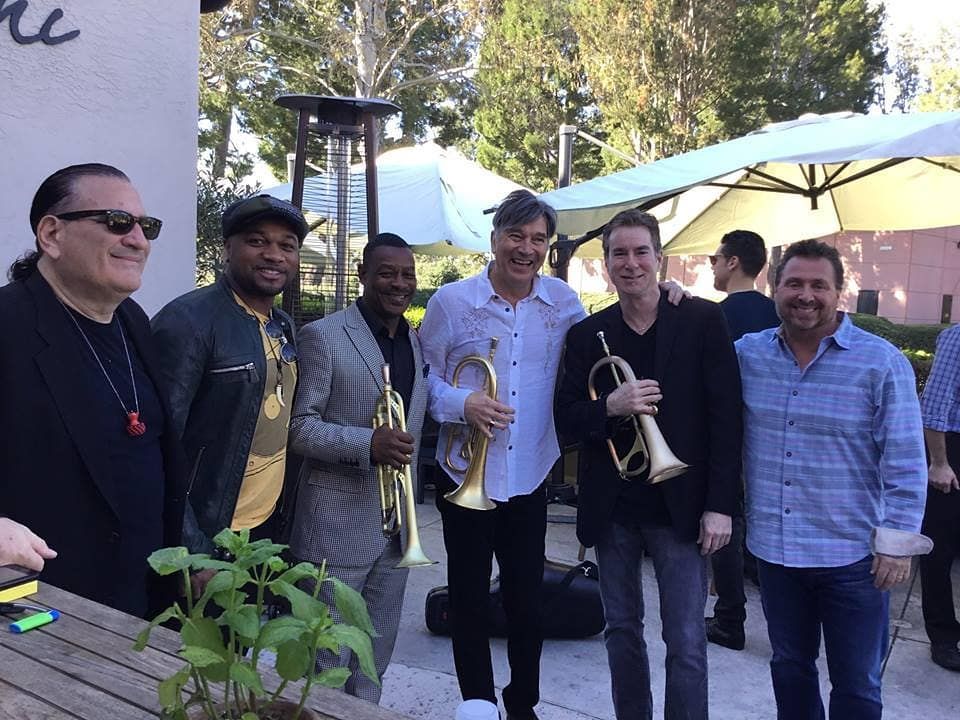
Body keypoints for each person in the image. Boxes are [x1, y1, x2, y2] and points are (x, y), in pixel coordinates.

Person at [556, 209, 742, 720]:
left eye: (641, 252)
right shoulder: (586, 335)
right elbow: (567, 418)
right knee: (621, 632)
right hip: (614, 509)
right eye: (620, 253)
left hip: (681, 510)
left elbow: (727, 420)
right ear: (608, 262)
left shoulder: (703, 319)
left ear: (659, 258)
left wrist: (721, 507)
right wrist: (609, 407)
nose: (631, 263)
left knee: (685, 640)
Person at [737, 239, 931, 719]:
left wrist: (897, 543)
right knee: (790, 667)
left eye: (818, 285)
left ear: (839, 292)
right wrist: (672, 294)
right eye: (794, 284)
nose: (806, 295)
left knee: (858, 684)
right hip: (776, 552)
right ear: (774, 288)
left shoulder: (881, 362)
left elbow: (906, 460)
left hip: (855, 557)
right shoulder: (747, 355)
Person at [418, 190, 586, 720]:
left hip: (530, 473)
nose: (527, 248)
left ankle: (521, 703)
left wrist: (662, 290)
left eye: (538, 239)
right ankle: (478, 705)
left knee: (526, 602)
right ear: (494, 241)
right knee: (467, 598)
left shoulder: (564, 304)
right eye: (516, 236)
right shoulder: (451, 302)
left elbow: (604, 343)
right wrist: (461, 401)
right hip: (464, 471)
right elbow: (425, 377)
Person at [0, 163, 186, 617]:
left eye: (147, 226)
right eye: (117, 222)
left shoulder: (134, 321)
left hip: (141, 603)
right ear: (52, 235)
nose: (138, 240)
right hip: (37, 608)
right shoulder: (6, 325)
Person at [287, 232, 428, 703]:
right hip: (335, 529)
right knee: (325, 658)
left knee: (375, 656)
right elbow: (300, 429)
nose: (399, 282)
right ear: (363, 275)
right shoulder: (323, 336)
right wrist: (368, 443)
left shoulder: (415, 340)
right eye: (386, 272)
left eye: (407, 273)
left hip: (397, 529)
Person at [152, 195, 307, 571]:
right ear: (227, 249)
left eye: (287, 246)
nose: (274, 254)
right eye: (257, 241)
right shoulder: (188, 321)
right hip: (209, 532)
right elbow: (158, 447)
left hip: (263, 527)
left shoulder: (283, 324)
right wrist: (193, 550)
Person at [705, 229, 780, 651]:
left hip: (729, 436)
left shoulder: (716, 315)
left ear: (733, 262)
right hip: (774, 439)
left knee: (726, 523)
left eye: (716, 258)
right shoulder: (780, 313)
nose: (712, 266)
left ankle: (730, 618)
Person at [917, 324, 960, 672]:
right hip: (953, 454)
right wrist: (939, 462)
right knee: (939, 549)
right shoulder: (958, 337)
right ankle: (943, 637)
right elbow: (934, 404)